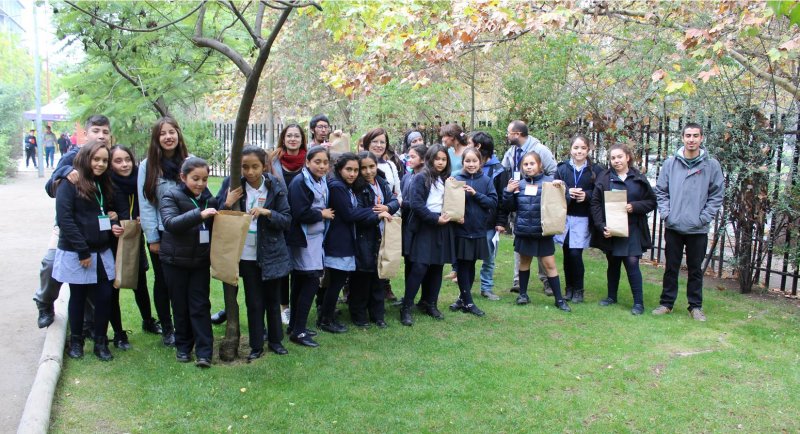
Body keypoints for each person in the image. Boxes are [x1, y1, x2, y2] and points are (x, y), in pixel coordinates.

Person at [35, 115, 111, 331]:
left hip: (97, 229)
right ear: (85, 134)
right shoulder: (71, 158)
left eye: (105, 132)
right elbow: (51, 188)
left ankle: (88, 323)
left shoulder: (107, 158)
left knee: (93, 273)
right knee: (51, 264)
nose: (101, 135)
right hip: (67, 228)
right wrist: (64, 172)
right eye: (96, 131)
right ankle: (45, 302)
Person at [217, 146, 291, 360]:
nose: (250, 172)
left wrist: (268, 212)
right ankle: (256, 345)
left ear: (265, 166)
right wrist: (227, 202)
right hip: (246, 254)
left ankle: (276, 341)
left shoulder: (275, 185)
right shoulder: (233, 185)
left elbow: (286, 219)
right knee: (254, 301)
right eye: (245, 167)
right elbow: (218, 214)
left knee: (272, 300)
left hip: (271, 252)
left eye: (255, 167)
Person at [52, 141, 119, 361]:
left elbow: (105, 211)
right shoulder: (69, 182)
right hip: (78, 251)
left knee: (104, 296)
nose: (100, 164)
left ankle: (101, 341)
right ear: (85, 158)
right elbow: (65, 219)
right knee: (78, 297)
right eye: (96, 159)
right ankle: (77, 342)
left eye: (104, 160)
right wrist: (82, 251)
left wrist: (113, 218)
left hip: (102, 250)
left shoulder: (104, 183)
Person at [653, 123, 724, 321]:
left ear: (701, 138)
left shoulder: (711, 165)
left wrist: (704, 217)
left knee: (695, 269)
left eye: (695, 136)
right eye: (688, 135)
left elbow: (716, 195)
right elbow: (661, 191)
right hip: (674, 225)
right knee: (671, 267)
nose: (691, 139)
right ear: (682, 138)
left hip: (697, 228)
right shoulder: (670, 163)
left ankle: (695, 306)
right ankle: (666, 303)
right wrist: (667, 214)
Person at [158, 157, 218, 368]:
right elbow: (171, 223)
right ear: (183, 177)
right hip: (175, 261)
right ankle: (183, 347)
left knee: (200, 306)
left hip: (199, 262)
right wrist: (199, 215)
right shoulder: (170, 195)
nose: (200, 184)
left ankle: (204, 352)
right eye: (195, 179)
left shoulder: (209, 199)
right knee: (180, 306)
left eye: (204, 179)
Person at [139, 116, 188, 347]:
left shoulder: (188, 162)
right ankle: (167, 328)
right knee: (163, 281)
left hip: (187, 231)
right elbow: (146, 203)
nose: (168, 137)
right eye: (163, 133)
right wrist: (153, 238)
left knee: (185, 281)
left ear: (178, 134)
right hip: (162, 232)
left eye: (172, 132)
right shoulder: (147, 166)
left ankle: (185, 325)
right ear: (156, 139)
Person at [590, 144, 657, 315]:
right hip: (610, 229)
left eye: (619, 157)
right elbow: (595, 203)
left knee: (632, 263)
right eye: (613, 158)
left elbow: (651, 202)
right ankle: (611, 297)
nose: (616, 161)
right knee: (613, 263)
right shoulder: (604, 178)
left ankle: (638, 303)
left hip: (632, 229)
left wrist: (634, 206)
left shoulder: (638, 178)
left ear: (627, 157)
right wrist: (600, 225)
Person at [108, 145, 163, 350]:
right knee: (113, 286)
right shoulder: (107, 184)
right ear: (111, 165)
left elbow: (148, 203)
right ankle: (119, 333)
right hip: (113, 241)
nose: (124, 165)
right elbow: (98, 211)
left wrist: (141, 216)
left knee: (140, 281)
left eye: (127, 160)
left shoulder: (140, 180)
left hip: (135, 237)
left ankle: (148, 320)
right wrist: (111, 220)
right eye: (118, 161)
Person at [502, 151, 571, 312]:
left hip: (542, 232)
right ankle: (523, 295)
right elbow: (509, 207)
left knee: (550, 265)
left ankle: (559, 299)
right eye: (525, 164)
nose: (528, 167)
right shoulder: (518, 184)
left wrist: (562, 189)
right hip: (524, 231)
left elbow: (563, 203)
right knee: (524, 263)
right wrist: (508, 191)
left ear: (539, 165)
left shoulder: (550, 182)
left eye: (532, 164)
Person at [319, 153, 378, 332]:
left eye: (355, 170)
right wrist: (375, 211)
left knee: (336, 282)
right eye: (348, 170)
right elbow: (349, 214)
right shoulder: (337, 187)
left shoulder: (346, 186)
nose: (352, 174)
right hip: (338, 242)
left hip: (344, 240)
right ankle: (326, 320)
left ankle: (326, 317)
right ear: (339, 169)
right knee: (335, 283)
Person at [400, 144, 455, 326]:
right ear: (429, 159)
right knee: (419, 267)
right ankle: (406, 307)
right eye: (437, 159)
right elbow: (416, 204)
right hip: (425, 226)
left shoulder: (447, 179)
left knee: (437, 267)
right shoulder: (421, 177)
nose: (440, 162)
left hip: (442, 227)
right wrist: (434, 219)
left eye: (443, 159)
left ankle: (430, 303)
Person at [501, 120, 557, 296]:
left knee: (545, 254)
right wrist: (511, 190)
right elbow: (504, 172)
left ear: (517, 134)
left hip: (540, 211)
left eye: (509, 132)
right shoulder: (511, 152)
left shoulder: (540, 150)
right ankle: (518, 282)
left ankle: (547, 281)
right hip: (522, 205)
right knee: (522, 249)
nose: (507, 136)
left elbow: (553, 172)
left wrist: (545, 190)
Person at [286, 146, 335, 347]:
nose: (322, 166)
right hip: (304, 241)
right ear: (307, 162)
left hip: (315, 240)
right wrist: (321, 214)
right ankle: (298, 332)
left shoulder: (319, 180)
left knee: (300, 282)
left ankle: (295, 326)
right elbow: (299, 213)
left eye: (325, 162)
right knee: (310, 282)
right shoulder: (300, 182)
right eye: (317, 162)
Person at [553, 135, 603, 303]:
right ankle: (569, 288)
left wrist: (586, 195)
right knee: (567, 253)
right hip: (565, 216)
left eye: (582, 148)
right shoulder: (562, 168)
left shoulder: (596, 169)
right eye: (576, 148)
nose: (579, 151)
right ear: (570, 150)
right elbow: (555, 189)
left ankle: (579, 289)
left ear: (588, 150)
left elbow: (600, 191)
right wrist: (568, 193)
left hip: (582, 217)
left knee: (576, 253)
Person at [352, 151, 399, 327]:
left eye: (371, 166)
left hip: (382, 236)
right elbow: (358, 214)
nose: (368, 171)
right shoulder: (357, 187)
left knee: (379, 278)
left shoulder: (382, 181)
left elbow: (395, 202)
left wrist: (387, 207)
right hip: (364, 238)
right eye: (363, 168)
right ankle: (359, 315)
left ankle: (378, 315)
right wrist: (377, 215)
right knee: (362, 279)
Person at [449, 147, 497, 316]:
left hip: (478, 229)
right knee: (462, 264)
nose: (471, 164)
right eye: (467, 161)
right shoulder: (455, 178)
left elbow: (492, 202)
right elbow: (448, 203)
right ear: (462, 162)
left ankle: (462, 299)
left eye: (474, 161)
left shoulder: (486, 180)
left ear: (480, 162)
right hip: (461, 228)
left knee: (470, 264)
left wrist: (476, 194)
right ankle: (468, 302)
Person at [270, 124, 308, 325]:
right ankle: (284, 307)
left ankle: (299, 304)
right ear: (283, 139)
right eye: (289, 136)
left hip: (303, 220)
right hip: (281, 220)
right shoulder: (273, 160)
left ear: (302, 139)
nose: (293, 139)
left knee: (302, 265)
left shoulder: (309, 160)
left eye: (296, 136)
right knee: (283, 266)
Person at [471, 132, 508, 301]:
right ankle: (465, 289)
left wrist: (501, 222)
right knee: (467, 257)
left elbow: (502, 198)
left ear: (478, 146)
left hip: (490, 223)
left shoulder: (499, 170)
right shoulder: (469, 167)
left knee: (489, 258)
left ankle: (486, 288)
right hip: (470, 221)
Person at [398, 144, 427, 306]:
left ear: (423, 159)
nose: (409, 160)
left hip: (419, 223)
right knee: (408, 260)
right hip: (407, 223)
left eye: (413, 156)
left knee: (418, 262)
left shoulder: (424, 177)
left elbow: (419, 202)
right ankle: (407, 297)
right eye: (408, 156)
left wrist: (404, 203)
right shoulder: (407, 176)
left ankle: (419, 299)